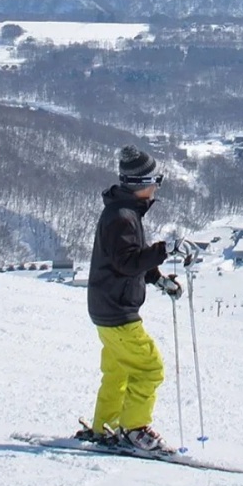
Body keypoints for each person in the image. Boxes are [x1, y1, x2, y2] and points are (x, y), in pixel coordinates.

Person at [83, 144, 192, 453]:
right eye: (156, 180)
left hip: (106, 307)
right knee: (148, 368)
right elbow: (128, 262)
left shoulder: (124, 212)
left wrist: (158, 279)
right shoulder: (122, 216)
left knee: (119, 370)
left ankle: (105, 426)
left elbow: (129, 259)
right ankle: (135, 430)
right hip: (118, 311)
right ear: (140, 183)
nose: (157, 186)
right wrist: (165, 249)